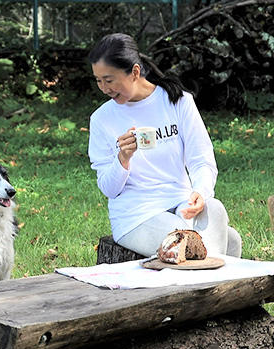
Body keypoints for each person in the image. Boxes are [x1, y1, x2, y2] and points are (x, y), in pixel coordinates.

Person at [87, 33, 243, 258]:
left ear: (135, 72)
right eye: (98, 80)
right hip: (137, 215)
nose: (103, 88)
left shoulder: (178, 101)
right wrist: (123, 159)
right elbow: (109, 188)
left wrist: (200, 191)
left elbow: (201, 159)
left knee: (217, 212)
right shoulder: (102, 119)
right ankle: (207, 284)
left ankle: (207, 282)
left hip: (181, 203)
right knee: (196, 242)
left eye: (109, 80)